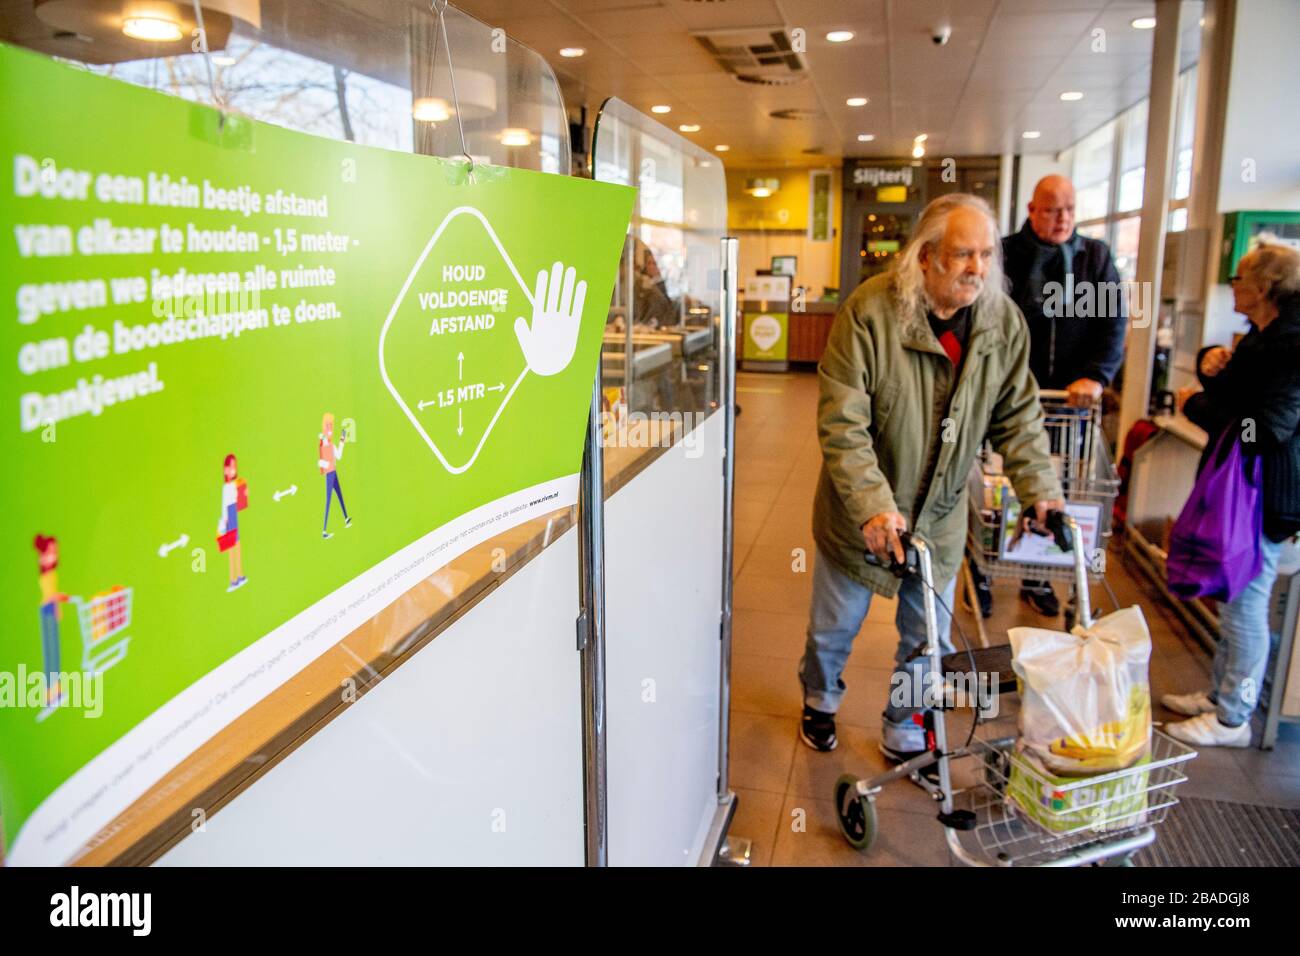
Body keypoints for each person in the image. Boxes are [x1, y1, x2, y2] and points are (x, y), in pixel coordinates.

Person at [800, 193, 1064, 757]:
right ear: (925, 257)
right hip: (861, 519)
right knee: (833, 630)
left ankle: (902, 728)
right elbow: (844, 422)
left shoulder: (1002, 326)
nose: (978, 268)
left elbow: (1018, 417)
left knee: (927, 642)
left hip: (939, 519)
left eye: (987, 254)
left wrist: (1041, 491)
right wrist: (872, 505)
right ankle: (820, 702)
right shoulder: (870, 313)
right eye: (963, 254)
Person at [1164, 242, 1300, 747]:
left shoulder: (1289, 346)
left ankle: (1233, 718)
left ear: (1263, 289)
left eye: (1240, 278)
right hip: (1246, 493)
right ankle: (1222, 695)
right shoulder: (1263, 338)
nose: (1232, 286)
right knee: (1233, 600)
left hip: (1266, 499)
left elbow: (1263, 429)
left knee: (1245, 603)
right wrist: (1208, 366)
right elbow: (1238, 398)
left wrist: (1197, 407)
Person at [999, 174, 1128, 617]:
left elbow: (1114, 323)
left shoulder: (1095, 258)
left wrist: (1096, 376)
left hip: (1067, 403)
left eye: (1070, 209)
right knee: (995, 485)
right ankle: (981, 570)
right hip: (1011, 398)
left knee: (1056, 489)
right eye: (1053, 209)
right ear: (1032, 210)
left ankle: (1036, 575)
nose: (1063, 218)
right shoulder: (1005, 255)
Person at [34, 534, 68, 707]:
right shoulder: (46, 576)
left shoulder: (51, 574)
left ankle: (57, 690)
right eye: (50, 553)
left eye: (55, 552)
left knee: (55, 652)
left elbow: (52, 594)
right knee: (51, 653)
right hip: (47, 611)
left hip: (50, 610)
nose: (53, 556)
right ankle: (50, 694)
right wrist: (59, 600)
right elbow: (49, 595)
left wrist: (58, 605)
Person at [319, 412, 352, 539]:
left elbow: (339, 456)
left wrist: (342, 440)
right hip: (330, 474)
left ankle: (346, 519)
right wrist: (327, 464)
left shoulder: (331, 445)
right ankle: (324, 530)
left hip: (334, 472)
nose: (330, 430)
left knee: (340, 495)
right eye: (329, 427)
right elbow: (320, 461)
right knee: (328, 501)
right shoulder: (323, 445)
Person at [218, 454, 247, 592]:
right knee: (232, 548)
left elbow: (239, 499)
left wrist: (243, 492)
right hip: (229, 516)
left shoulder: (234, 485)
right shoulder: (226, 487)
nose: (232, 470)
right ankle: (233, 579)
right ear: (225, 470)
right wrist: (223, 522)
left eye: (234, 467)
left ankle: (240, 576)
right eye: (230, 467)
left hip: (233, 513)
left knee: (238, 546)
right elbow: (224, 505)